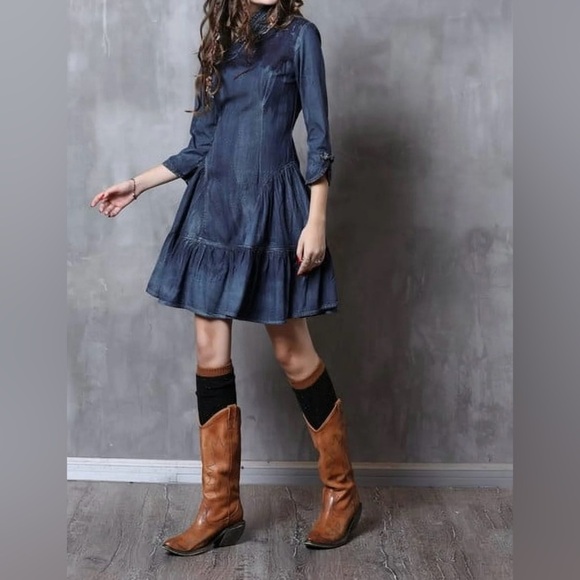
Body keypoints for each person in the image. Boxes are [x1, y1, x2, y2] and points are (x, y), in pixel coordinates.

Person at [89, 0, 362, 556]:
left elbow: (319, 137)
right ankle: (220, 507)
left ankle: (342, 493)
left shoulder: (301, 37)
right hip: (214, 210)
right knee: (209, 352)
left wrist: (316, 220)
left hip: (272, 211)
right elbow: (202, 144)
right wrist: (136, 184)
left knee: (292, 353)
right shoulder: (222, 42)